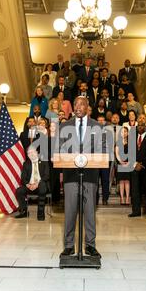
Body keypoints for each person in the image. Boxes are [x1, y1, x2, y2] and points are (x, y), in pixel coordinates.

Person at [59, 96, 104, 258]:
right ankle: (69, 245)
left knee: (90, 212)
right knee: (70, 211)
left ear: (87, 107)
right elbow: (60, 149)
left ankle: (90, 246)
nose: (77, 107)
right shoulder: (64, 126)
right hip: (71, 176)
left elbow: (101, 149)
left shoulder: (97, 127)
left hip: (90, 175)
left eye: (81, 104)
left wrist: (89, 157)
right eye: (75, 104)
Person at [15, 146, 50, 221]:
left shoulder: (44, 162)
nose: (31, 154)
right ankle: (24, 212)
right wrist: (28, 185)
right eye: (29, 153)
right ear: (27, 155)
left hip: (40, 186)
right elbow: (23, 178)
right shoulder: (26, 164)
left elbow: (47, 176)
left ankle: (40, 213)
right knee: (19, 191)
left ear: (37, 153)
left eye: (33, 152)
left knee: (42, 185)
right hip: (29, 186)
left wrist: (37, 184)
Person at [129, 122, 146, 219]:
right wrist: (135, 164)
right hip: (135, 167)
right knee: (135, 191)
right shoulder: (132, 138)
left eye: (142, 126)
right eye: (138, 126)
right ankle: (136, 211)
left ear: (145, 127)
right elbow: (129, 153)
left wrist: (143, 164)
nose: (140, 127)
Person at [96, 115, 110, 205]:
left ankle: (105, 199)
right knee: (95, 180)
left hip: (105, 158)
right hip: (95, 159)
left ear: (105, 122)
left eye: (102, 120)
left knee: (105, 180)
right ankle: (95, 199)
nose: (101, 122)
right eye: (99, 120)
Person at [116, 127, 131, 205]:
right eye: (122, 131)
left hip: (128, 163)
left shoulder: (130, 142)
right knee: (121, 181)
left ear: (127, 133)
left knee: (127, 181)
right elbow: (117, 153)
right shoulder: (118, 142)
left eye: (125, 131)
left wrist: (129, 162)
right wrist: (120, 161)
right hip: (120, 163)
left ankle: (127, 198)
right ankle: (122, 198)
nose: (124, 133)